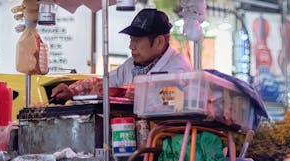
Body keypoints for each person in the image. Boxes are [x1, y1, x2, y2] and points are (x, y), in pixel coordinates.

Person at [51, 8, 192, 102]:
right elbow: (104, 82)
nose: (131, 46)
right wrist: (72, 91)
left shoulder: (178, 67)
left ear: (159, 42)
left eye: (136, 40)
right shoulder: (130, 65)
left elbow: (166, 98)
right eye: (131, 40)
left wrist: (119, 93)